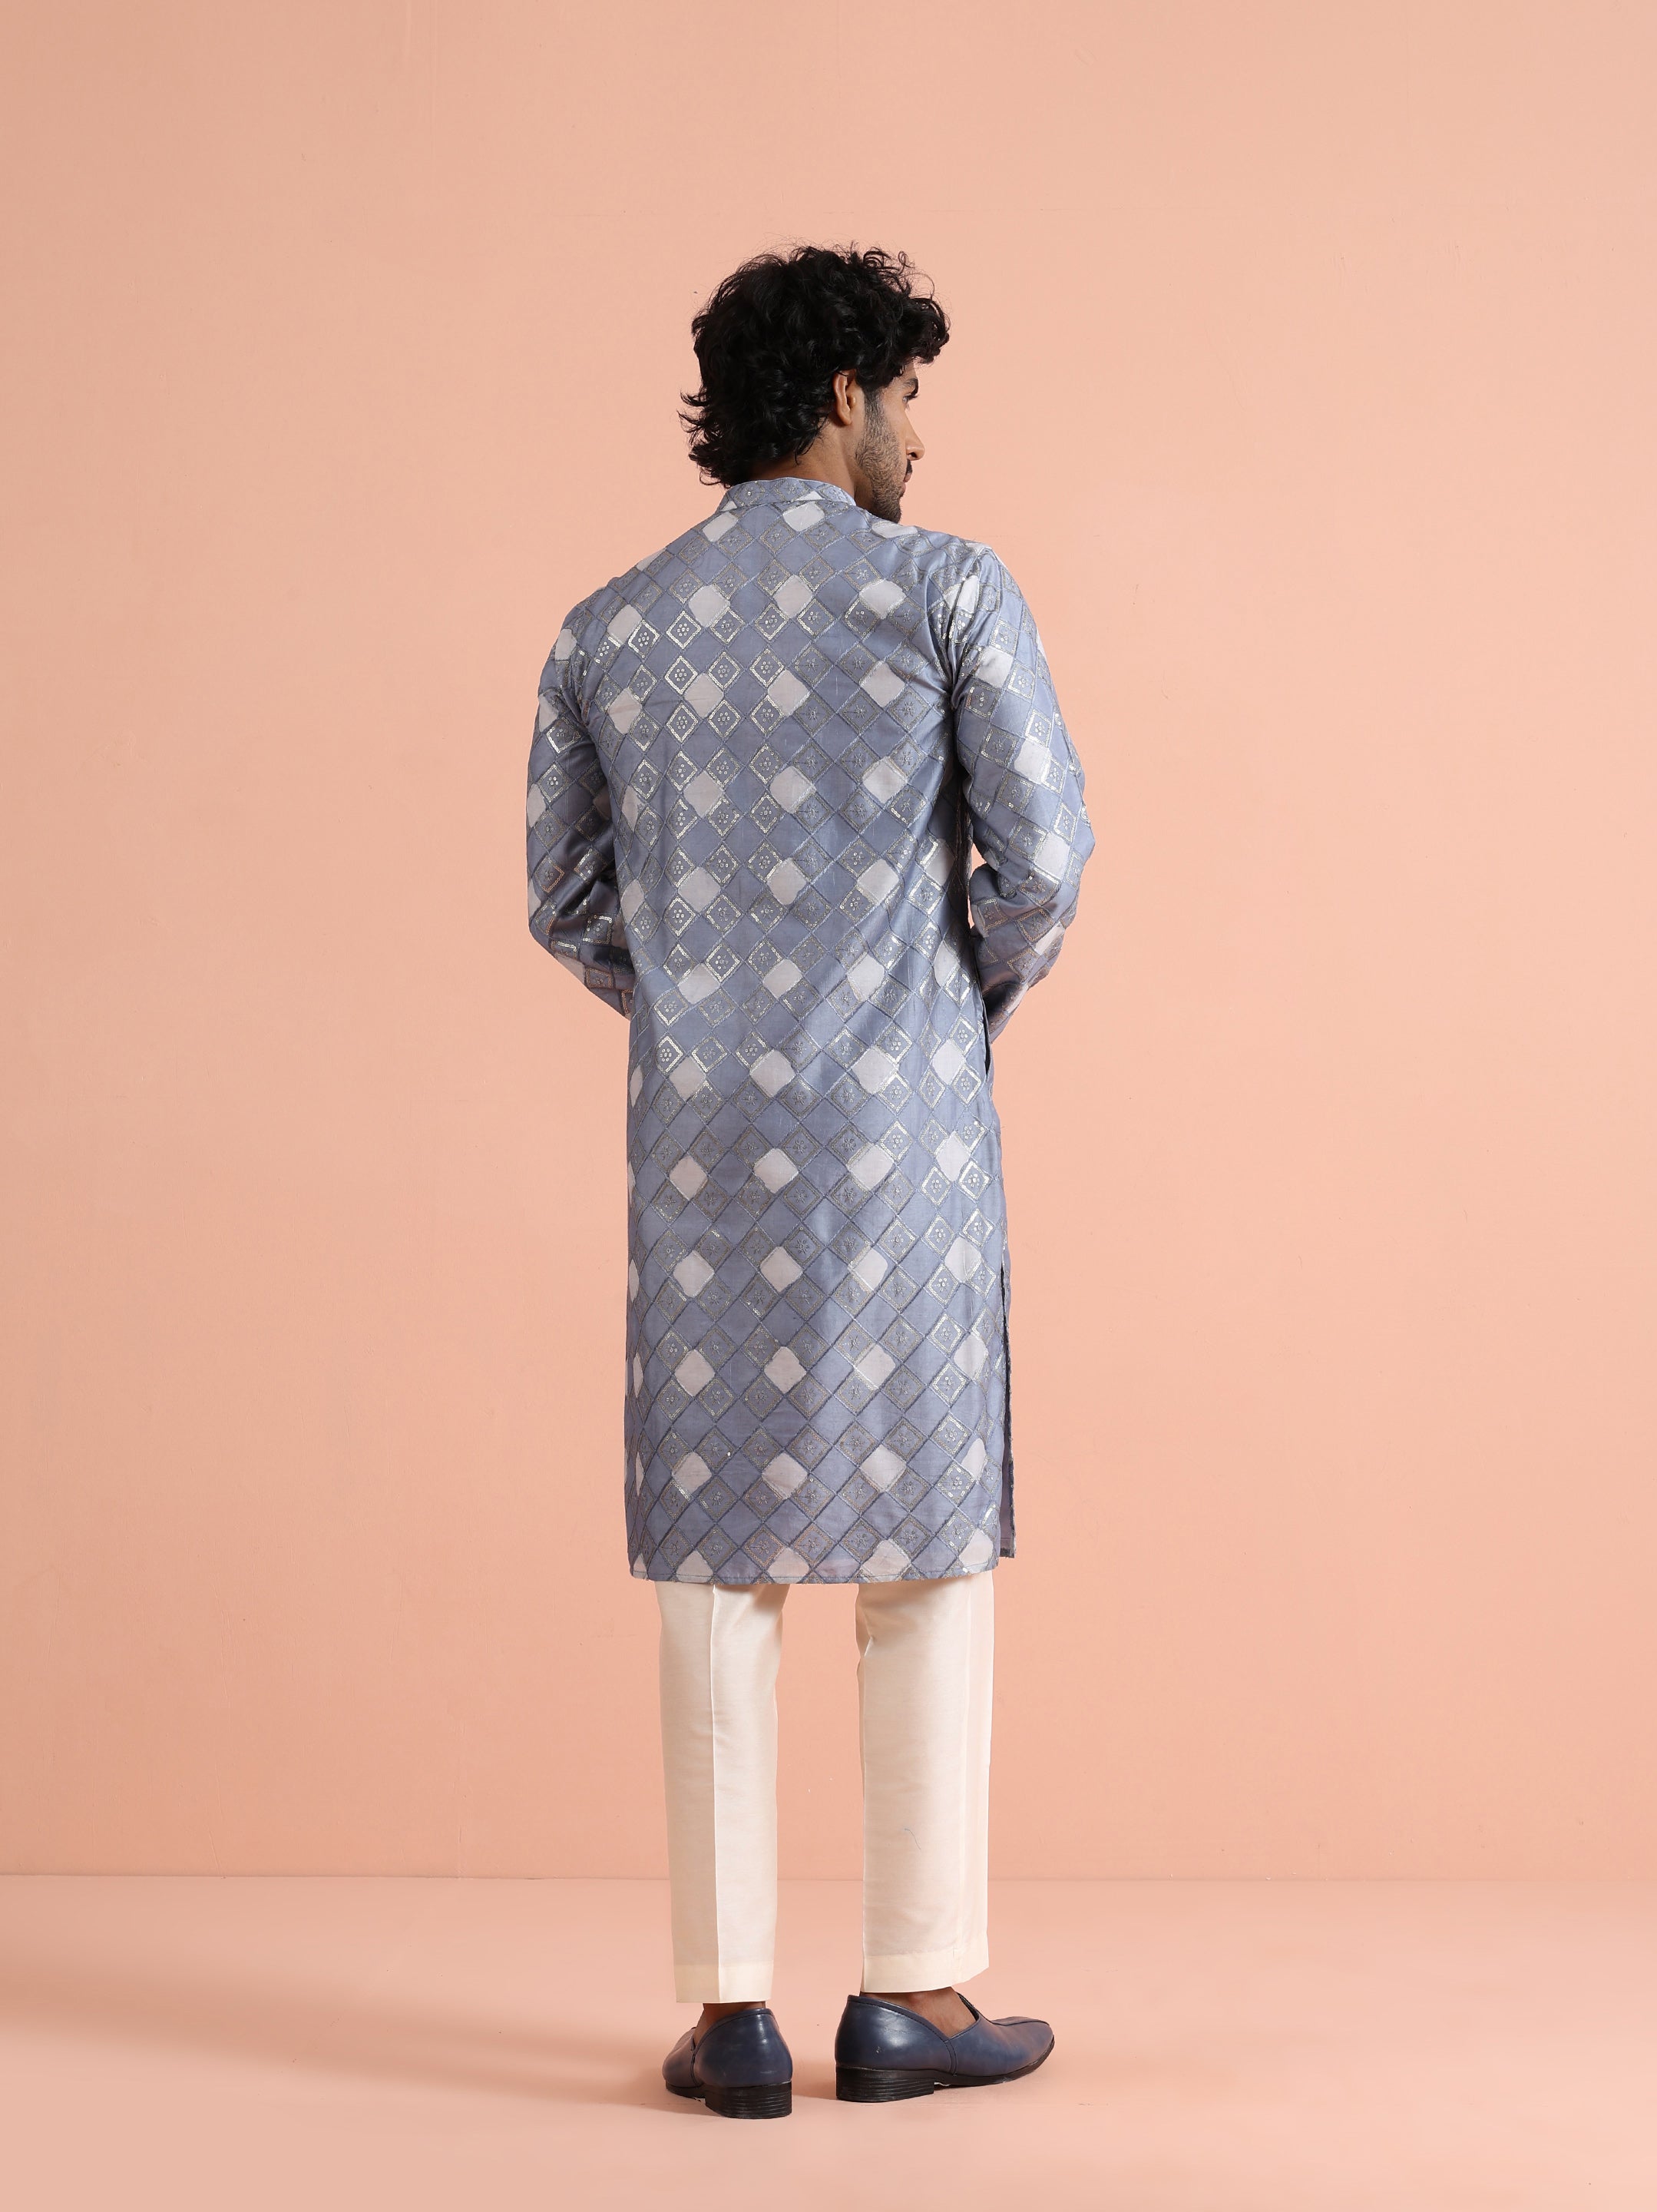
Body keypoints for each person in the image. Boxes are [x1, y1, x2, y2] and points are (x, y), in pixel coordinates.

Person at [527, 245, 1095, 2118]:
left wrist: (704, 1009)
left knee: (716, 1567)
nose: (918, 435)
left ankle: (732, 2016)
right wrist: (944, 1001)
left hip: (699, 1146)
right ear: (844, 395)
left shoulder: (610, 629)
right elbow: (1046, 859)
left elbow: (563, 899)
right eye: (906, 396)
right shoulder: (944, 589)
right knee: (925, 1544)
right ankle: (912, 1991)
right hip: (906, 1142)